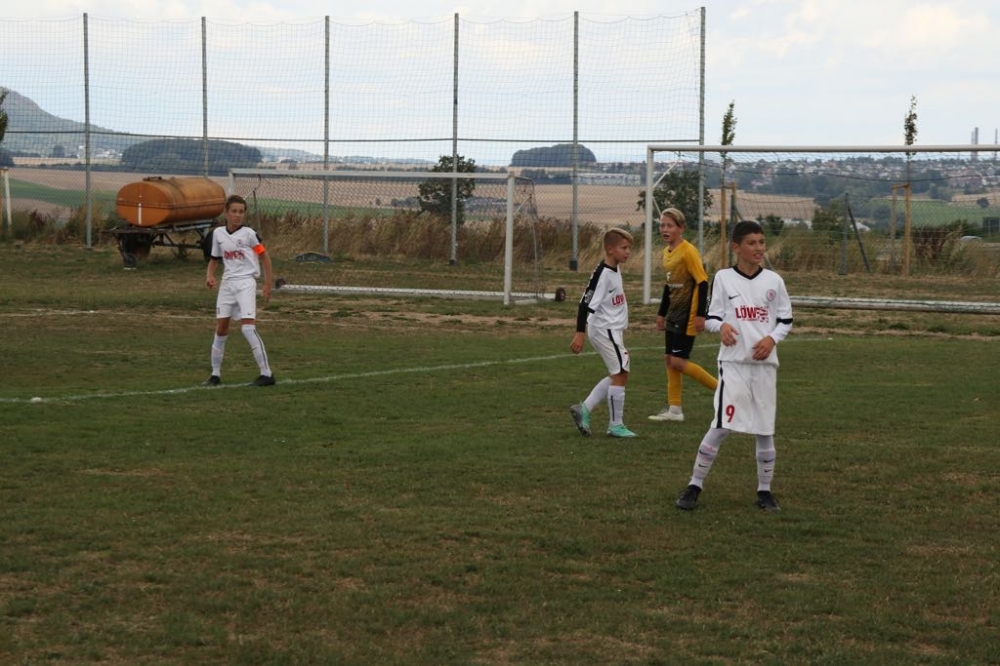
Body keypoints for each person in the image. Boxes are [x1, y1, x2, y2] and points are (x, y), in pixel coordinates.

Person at [674, 220, 793, 512]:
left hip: (764, 367)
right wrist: (722, 327)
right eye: (752, 243)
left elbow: (785, 320)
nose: (758, 248)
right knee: (721, 425)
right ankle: (694, 485)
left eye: (762, 242)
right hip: (733, 364)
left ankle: (764, 492)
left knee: (765, 429)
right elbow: (712, 318)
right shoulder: (724, 278)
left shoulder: (774, 281)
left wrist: (771, 339)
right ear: (736, 247)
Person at [648, 208, 718, 423]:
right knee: (670, 360)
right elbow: (669, 286)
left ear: (681, 228)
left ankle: (723, 389)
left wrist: (701, 314)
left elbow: (703, 282)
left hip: (688, 315)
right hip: (673, 314)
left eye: (669, 225)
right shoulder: (666, 253)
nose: (665, 229)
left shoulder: (689, 252)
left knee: (678, 362)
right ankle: (675, 409)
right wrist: (661, 313)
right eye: (662, 225)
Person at [569, 227, 637, 438]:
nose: (628, 252)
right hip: (604, 330)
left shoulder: (614, 268)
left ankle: (584, 409)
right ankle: (615, 426)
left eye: (629, 248)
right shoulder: (603, 274)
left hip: (612, 330)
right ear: (610, 249)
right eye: (623, 248)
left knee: (620, 373)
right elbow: (584, 304)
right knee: (620, 373)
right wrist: (579, 333)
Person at [203, 194, 276, 387]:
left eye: (241, 212)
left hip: (246, 283)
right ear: (226, 213)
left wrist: (267, 283)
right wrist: (210, 275)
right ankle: (215, 375)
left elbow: (264, 257)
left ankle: (267, 374)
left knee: (247, 328)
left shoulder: (249, 235)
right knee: (221, 329)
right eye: (234, 211)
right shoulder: (218, 234)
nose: (237, 215)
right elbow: (214, 259)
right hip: (227, 285)